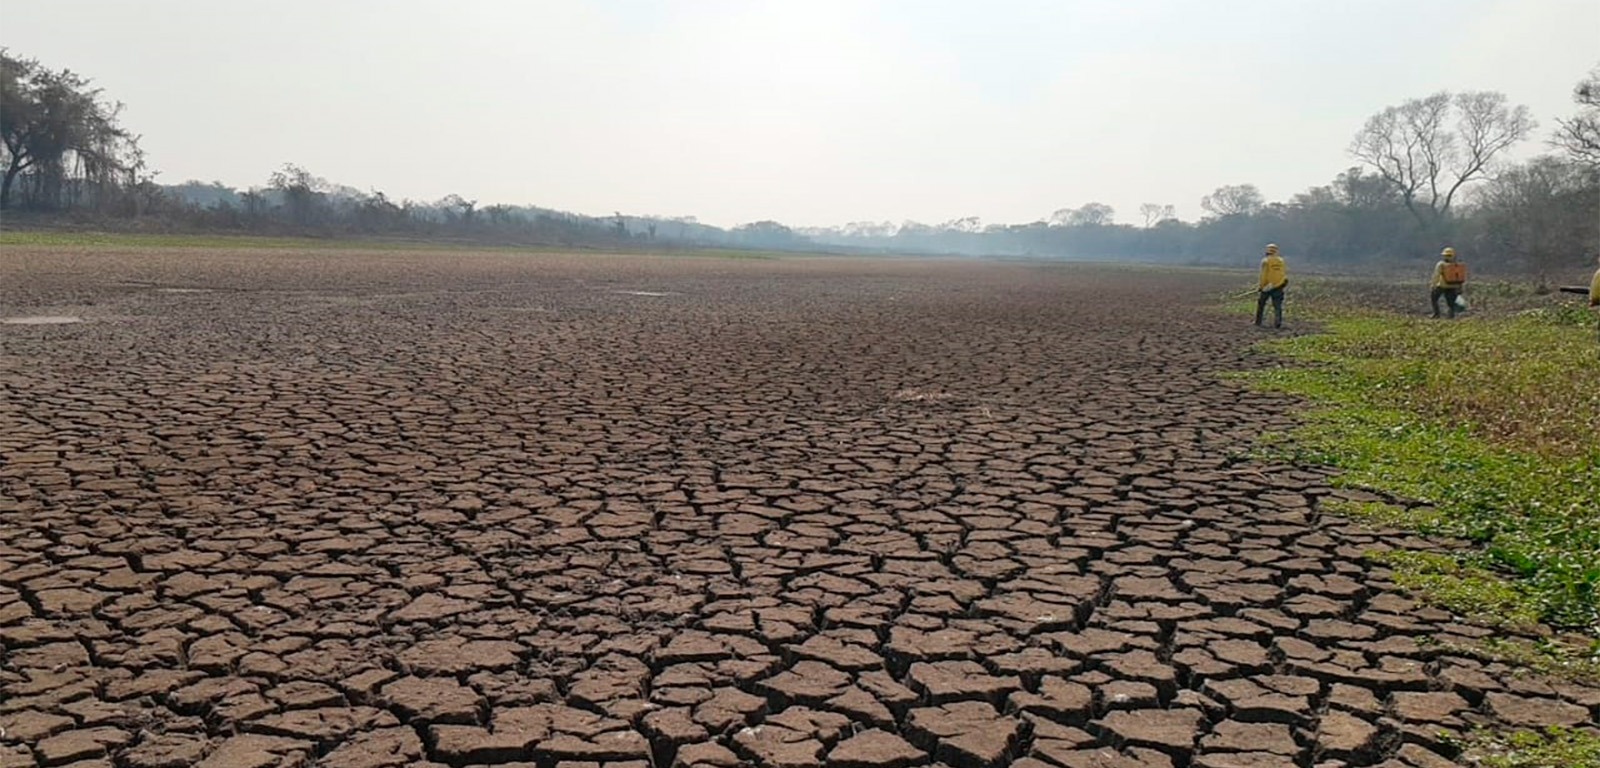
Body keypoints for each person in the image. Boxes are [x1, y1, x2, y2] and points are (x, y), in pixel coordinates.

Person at [1255, 243, 1287, 328]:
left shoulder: (1265, 261)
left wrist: (1261, 287)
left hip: (1267, 287)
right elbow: (1282, 273)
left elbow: (1264, 275)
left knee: (1261, 303)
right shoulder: (1281, 261)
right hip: (1279, 285)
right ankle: (1278, 322)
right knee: (1277, 305)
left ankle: (1258, 321)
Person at [1430, 247, 1468, 319]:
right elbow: (1460, 278)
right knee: (1451, 303)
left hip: (1442, 285)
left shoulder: (1441, 264)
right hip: (1453, 286)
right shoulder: (1457, 265)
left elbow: (1436, 275)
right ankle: (1451, 316)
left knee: (1434, 299)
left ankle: (1436, 314)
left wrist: (1433, 285)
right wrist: (1460, 288)